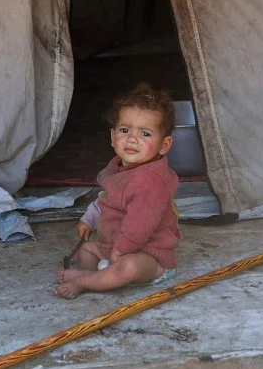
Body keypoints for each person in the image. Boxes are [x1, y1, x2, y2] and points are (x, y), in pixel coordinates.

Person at [56, 84, 181, 298]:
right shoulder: (118, 167)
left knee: (129, 266)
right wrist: (88, 219)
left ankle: (85, 281)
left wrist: (120, 251)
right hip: (114, 246)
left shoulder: (151, 180)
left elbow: (139, 225)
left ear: (164, 145)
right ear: (113, 135)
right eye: (125, 130)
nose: (132, 139)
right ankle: (99, 276)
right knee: (87, 249)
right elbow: (107, 198)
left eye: (145, 133)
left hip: (148, 255)